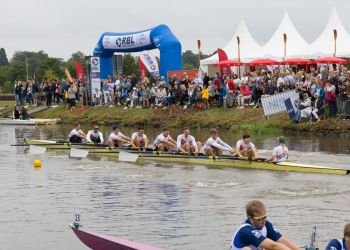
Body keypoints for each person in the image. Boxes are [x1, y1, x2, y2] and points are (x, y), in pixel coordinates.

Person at [230, 200, 300, 250]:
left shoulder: (266, 224)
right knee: (247, 249)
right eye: (259, 218)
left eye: (264, 217)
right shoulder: (246, 231)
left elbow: (281, 240)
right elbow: (273, 245)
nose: (263, 221)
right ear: (250, 218)